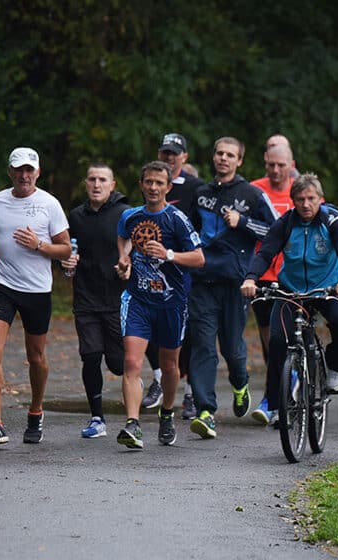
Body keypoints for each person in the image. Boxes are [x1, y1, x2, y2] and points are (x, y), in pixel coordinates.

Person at [239, 173, 338, 423]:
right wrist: (250, 278)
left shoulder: (333, 221)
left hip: (329, 289)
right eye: (300, 199)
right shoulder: (285, 223)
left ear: (320, 199)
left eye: (311, 198)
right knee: (278, 341)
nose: (305, 204)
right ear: (293, 201)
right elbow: (266, 253)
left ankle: (335, 367)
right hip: (292, 290)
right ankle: (273, 402)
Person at [0, 147, 72, 446]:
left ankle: (36, 411)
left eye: (29, 169)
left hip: (36, 290)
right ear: (10, 172)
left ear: (38, 173)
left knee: (37, 357)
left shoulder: (49, 204)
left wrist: (39, 245)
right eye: (19, 169)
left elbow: (66, 249)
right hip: (1, 283)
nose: (24, 175)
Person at [188, 136, 278, 439]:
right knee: (202, 344)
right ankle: (205, 410)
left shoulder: (252, 195)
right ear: (213, 157)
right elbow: (187, 230)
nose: (223, 158)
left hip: (235, 283)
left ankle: (240, 383)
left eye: (230, 155)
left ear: (239, 161)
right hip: (202, 281)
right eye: (219, 153)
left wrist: (243, 223)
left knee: (232, 348)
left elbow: (277, 231)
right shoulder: (201, 193)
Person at [114, 161, 204, 449]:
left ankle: (167, 412)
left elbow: (199, 259)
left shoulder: (177, 219)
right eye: (148, 182)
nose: (153, 187)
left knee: (169, 366)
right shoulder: (130, 216)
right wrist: (124, 260)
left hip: (171, 303)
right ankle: (133, 424)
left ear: (167, 187)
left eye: (158, 183)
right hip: (138, 299)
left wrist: (169, 254)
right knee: (131, 361)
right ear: (141, 185)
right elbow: (124, 238)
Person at [60, 164, 136, 438]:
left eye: (102, 179)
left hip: (117, 298)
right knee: (90, 356)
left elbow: (132, 245)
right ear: (85, 183)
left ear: (112, 185)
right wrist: (67, 263)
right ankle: (97, 418)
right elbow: (69, 251)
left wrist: (126, 264)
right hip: (86, 298)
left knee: (117, 364)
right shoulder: (76, 216)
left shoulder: (124, 214)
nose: (96, 184)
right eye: (92, 179)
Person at [141, 133, 205, 417]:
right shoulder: (151, 186)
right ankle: (158, 378)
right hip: (153, 269)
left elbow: (202, 228)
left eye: (174, 153)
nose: (169, 157)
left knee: (185, 332)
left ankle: (190, 392)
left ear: (184, 157)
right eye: (165, 152)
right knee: (146, 324)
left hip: (184, 267)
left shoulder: (196, 188)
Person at [248, 143, 295, 425]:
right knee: (270, 343)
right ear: (265, 162)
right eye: (271, 165)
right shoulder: (255, 190)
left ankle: (288, 389)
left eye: (282, 165)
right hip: (264, 275)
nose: (276, 171)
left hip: (295, 278)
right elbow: (246, 228)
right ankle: (274, 397)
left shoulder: (302, 192)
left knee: (290, 341)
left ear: (291, 164)